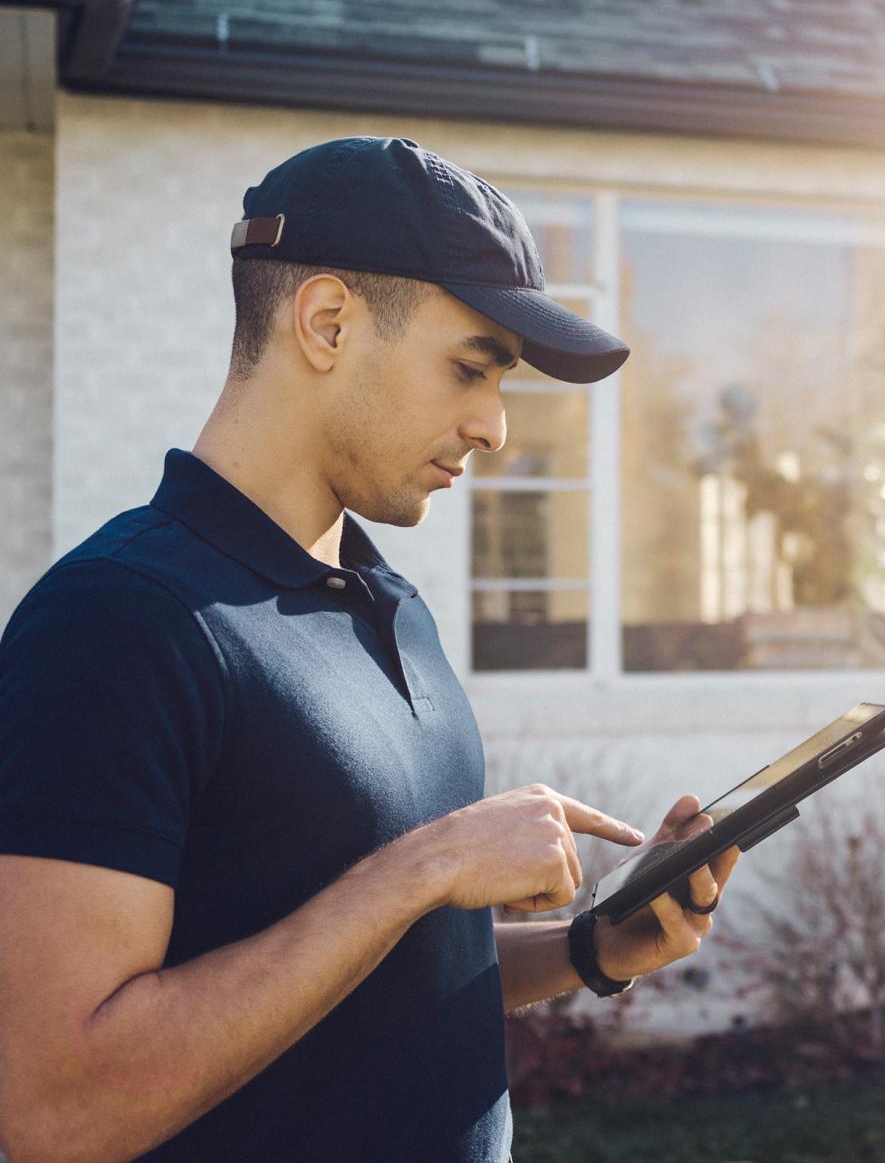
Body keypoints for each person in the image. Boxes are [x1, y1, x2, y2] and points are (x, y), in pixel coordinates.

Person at [0, 137, 740, 1162]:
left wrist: (593, 944)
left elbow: (375, 962)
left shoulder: (386, 598)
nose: (494, 428)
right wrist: (428, 863)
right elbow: (55, 1108)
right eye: (470, 369)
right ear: (328, 322)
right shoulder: (119, 623)